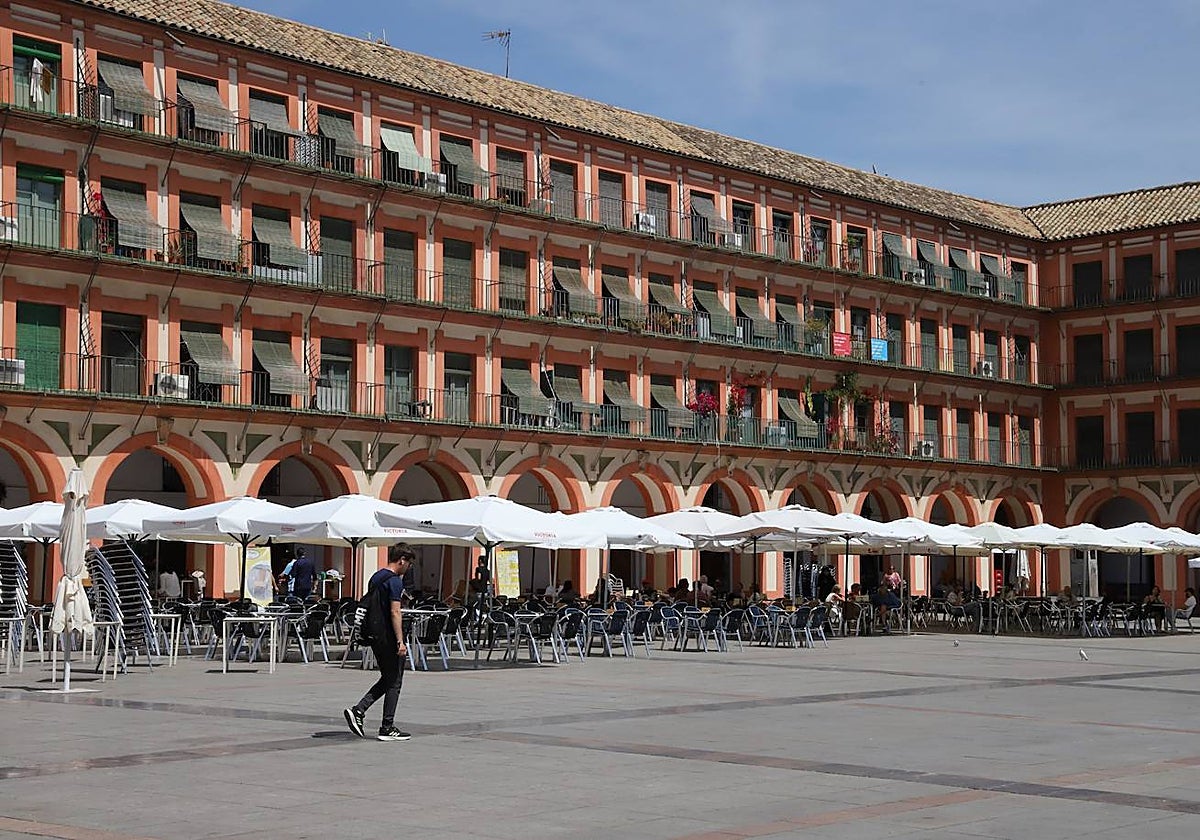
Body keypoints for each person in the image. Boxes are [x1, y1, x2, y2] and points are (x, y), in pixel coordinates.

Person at [344, 543, 415, 742]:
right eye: (408, 563)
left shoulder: (376, 577)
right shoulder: (394, 582)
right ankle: (386, 726)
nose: (408, 567)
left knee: (388, 678)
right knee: (395, 681)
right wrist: (400, 641)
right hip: (387, 636)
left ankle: (359, 711)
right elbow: (395, 611)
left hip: (375, 635)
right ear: (402, 560)